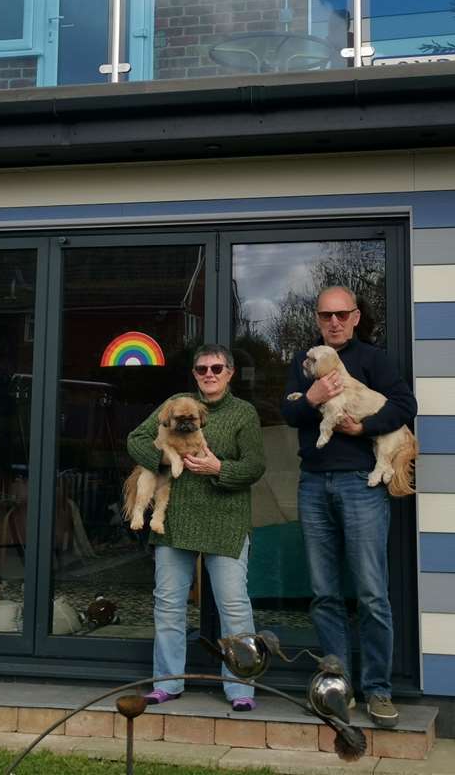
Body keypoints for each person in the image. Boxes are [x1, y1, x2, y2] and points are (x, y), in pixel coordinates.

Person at [280, 285, 416, 727]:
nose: (334, 322)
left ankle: (378, 689)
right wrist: (314, 398)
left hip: (362, 483)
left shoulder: (375, 360)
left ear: (356, 317)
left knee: (372, 593)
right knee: (324, 593)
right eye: (325, 316)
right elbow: (289, 414)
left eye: (341, 315)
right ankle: (338, 686)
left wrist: (365, 429)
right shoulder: (307, 362)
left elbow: (405, 405)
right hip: (314, 483)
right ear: (317, 319)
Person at [126, 343, 266, 711]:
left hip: (226, 520)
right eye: (202, 369)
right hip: (176, 519)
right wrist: (166, 457)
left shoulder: (244, 413)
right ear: (194, 374)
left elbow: (255, 466)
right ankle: (167, 683)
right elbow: (136, 439)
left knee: (234, 607)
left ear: (230, 373)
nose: (209, 375)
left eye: (217, 368)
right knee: (169, 605)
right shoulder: (175, 402)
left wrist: (219, 469)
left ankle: (241, 689)